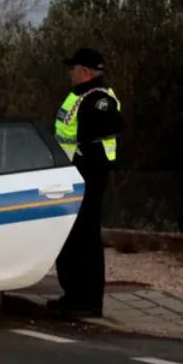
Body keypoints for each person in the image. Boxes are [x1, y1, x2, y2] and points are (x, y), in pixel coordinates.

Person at [49, 47, 124, 319]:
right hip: (73, 173)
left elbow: (102, 130)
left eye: (73, 68)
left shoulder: (99, 98)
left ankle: (89, 301)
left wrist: (83, 157)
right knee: (72, 237)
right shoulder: (81, 96)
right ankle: (74, 296)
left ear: (85, 71)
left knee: (86, 238)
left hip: (89, 174)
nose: (70, 72)